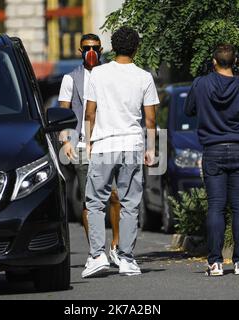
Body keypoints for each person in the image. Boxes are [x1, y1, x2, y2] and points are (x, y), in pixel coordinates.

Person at [81, 27, 158, 278]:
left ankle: (97, 256)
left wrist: (89, 141)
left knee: (95, 202)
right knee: (129, 204)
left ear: (112, 48)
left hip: (104, 144)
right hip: (132, 145)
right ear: (137, 48)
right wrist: (151, 149)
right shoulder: (144, 77)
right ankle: (126, 258)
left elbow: (90, 112)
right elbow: (150, 119)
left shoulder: (98, 74)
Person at [185, 44, 239, 276]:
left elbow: (189, 110)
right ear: (235, 61)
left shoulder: (201, 84)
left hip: (213, 150)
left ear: (214, 62)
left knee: (216, 206)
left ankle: (215, 262)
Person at [58, 34, 122, 266]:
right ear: (80, 50)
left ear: (102, 49)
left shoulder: (111, 74)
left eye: (95, 48)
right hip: (83, 146)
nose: (91, 52)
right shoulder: (70, 79)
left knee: (115, 196)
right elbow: (63, 113)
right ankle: (97, 250)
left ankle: (115, 244)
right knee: (90, 201)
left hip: (109, 143)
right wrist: (66, 140)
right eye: (87, 48)